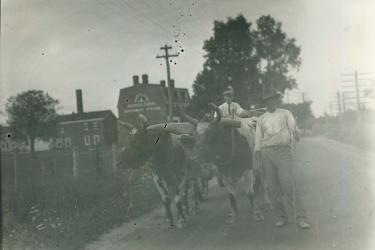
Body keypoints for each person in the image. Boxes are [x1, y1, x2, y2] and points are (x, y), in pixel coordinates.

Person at [254, 91, 311, 229]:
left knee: (287, 185)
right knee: (272, 188)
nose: (270, 103)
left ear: (276, 101)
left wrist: (296, 133)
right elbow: (258, 140)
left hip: (283, 151)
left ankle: (300, 218)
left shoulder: (286, 113)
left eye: (273, 100)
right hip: (267, 153)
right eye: (268, 101)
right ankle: (281, 217)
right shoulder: (261, 119)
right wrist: (258, 158)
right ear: (265, 103)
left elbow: (294, 129)